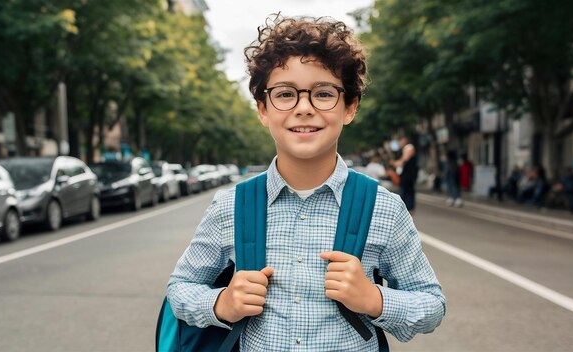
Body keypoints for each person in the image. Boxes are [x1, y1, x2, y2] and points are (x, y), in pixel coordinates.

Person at [166, 15, 445, 351]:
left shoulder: (384, 207)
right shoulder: (231, 205)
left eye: (323, 93)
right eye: (285, 94)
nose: (304, 108)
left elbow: (431, 304)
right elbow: (181, 287)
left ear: (349, 107)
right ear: (263, 110)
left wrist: (374, 299)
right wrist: (221, 304)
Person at [388, 136, 418, 212]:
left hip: (408, 174)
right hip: (408, 174)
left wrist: (395, 163)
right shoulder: (406, 149)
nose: (399, 144)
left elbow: (404, 160)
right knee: (408, 190)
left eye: (400, 142)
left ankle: (402, 207)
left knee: (404, 190)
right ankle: (408, 207)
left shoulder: (409, 147)